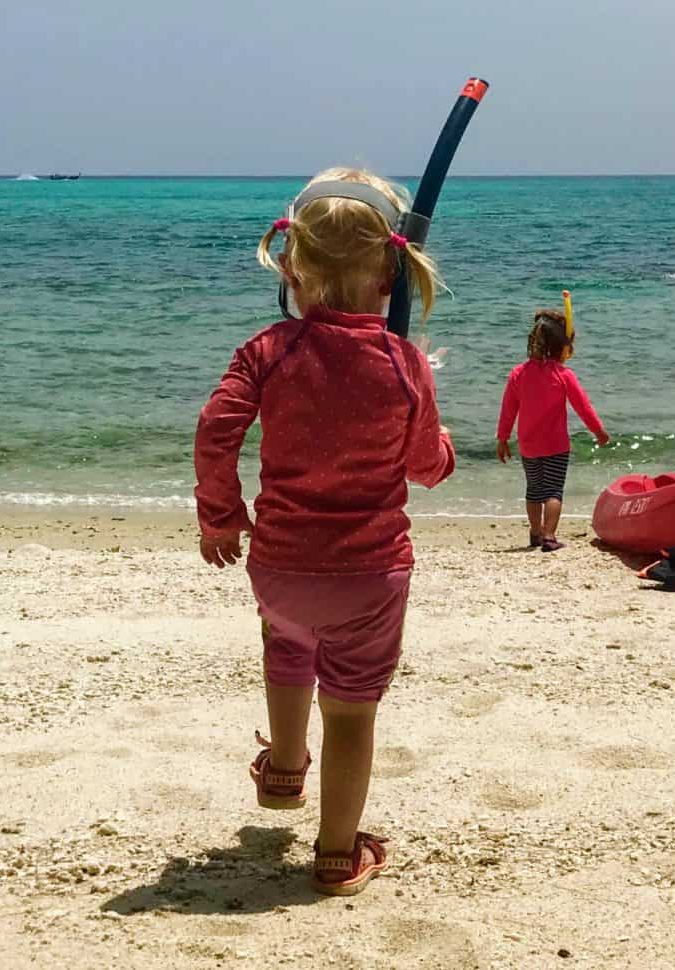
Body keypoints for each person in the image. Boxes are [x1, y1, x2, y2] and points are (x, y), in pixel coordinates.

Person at [193, 167, 455, 896]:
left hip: (278, 564)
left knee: (288, 646)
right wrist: (446, 448)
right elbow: (426, 467)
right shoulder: (404, 365)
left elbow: (216, 430)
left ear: (290, 266)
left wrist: (221, 512)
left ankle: (282, 769)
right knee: (350, 712)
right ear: (391, 277)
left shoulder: (267, 351)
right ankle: (339, 854)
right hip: (370, 575)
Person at [495, 309, 609, 551]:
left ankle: (535, 533)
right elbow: (583, 407)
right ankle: (549, 536)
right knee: (554, 491)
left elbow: (508, 410)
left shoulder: (518, 374)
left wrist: (502, 438)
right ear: (562, 347)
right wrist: (598, 431)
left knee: (534, 490)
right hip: (556, 445)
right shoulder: (563, 375)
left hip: (528, 445)